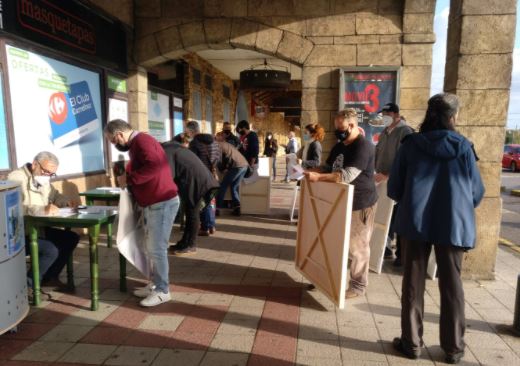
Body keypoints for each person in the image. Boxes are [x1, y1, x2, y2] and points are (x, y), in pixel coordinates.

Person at [387, 94, 484, 364]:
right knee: (452, 286)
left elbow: (394, 189)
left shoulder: (410, 145)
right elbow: (476, 192)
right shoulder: (464, 147)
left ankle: (412, 343)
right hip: (453, 225)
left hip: (415, 225)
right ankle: (453, 348)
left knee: (413, 283)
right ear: (453, 117)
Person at [104, 119, 179, 307]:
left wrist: (129, 179)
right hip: (155, 202)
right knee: (151, 247)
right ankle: (155, 284)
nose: (115, 144)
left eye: (113, 141)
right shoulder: (139, 143)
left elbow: (154, 167)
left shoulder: (142, 141)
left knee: (157, 248)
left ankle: (163, 290)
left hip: (161, 202)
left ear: (120, 134)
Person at [304, 109, 378, 299]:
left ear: (352, 125)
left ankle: (358, 286)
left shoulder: (363, 147)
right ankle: (327, 278)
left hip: (360, 203)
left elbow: (346, 176)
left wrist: (319, 177)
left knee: (357, 247)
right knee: (332, 243)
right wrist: (313, 170)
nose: (338, 132)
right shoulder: (340, 146)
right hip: (338, 202)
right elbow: (330, 167)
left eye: (341, 128)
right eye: (336, 128)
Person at [8, 151, 79, 295]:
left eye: (51, 174)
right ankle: (28, 284)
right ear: (35, 164)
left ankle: (49, 277)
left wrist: (65, 202)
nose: (47, 176)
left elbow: (55, 195)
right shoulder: (16, 179)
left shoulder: (42, 179)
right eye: (46, 172)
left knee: (71, 238)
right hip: (20, 234)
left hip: (39, 229)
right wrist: (42, 209)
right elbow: (15, 208)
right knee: (50, 250)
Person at [162, 140, 219, 256]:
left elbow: (169, 175)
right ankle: (184, 242)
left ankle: (191, 245)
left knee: (193, 213)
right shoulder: (172, 147)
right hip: (197, 181)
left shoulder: (166, 152)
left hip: (198, 183)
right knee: (190, 212)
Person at [375, 102, 413, 264]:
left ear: (396, 115)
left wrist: (388, 174)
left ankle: (396, 251)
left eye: (387, 115)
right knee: (384, 215)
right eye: (382, 115)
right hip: (381, 181)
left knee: (394, 217)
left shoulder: (405, 131)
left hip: (396, 182)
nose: (384, 118)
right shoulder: (384, 132)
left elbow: (405, 160)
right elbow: (378, 153)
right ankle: (385, 248)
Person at [186, 120, 220, 236]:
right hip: (213, 174)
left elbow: (191, 161)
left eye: (187, 132)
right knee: (210, 200)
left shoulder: (195, 143)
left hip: (201, 176)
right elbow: (218, 158)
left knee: (203, 201)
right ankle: (212, 226)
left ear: (191, 131)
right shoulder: (214, 141)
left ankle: (205, 228)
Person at [215, 133, 249, 216]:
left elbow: (219, 160)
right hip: (244, 165)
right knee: (234, 187)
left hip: (237, 166)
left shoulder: (218, 145)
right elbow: (229, 157)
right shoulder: (227, 144)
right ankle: (237, 208)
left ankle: (217, 208)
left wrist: (221, 169)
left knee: (223, 186)